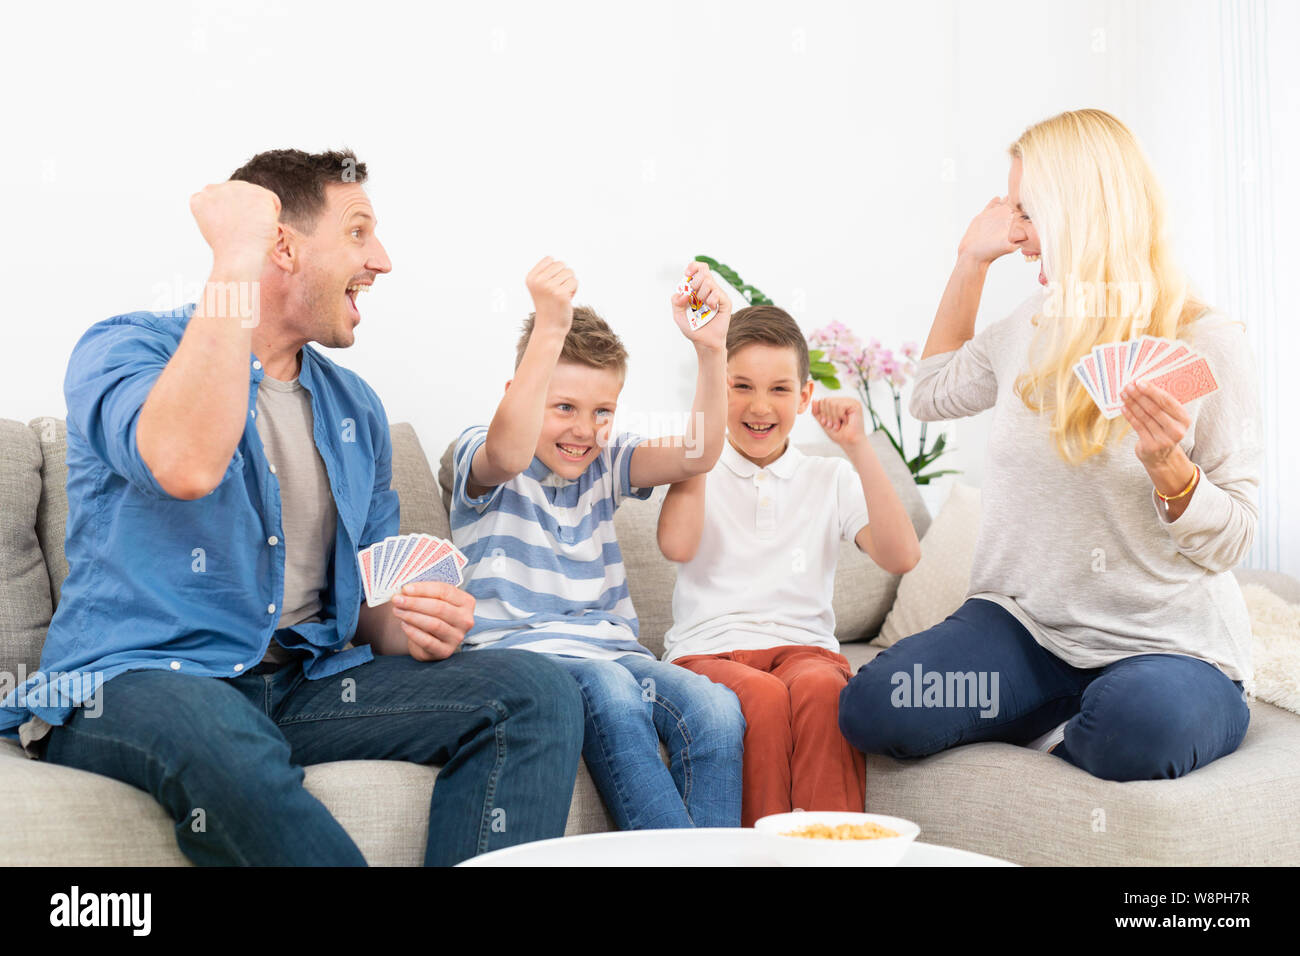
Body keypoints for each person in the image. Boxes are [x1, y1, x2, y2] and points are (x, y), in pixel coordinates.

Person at [0, 149, 585, 865]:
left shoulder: (354, 408)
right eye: (359, 232)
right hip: (136, 682)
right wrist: (234, 259)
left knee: (536, 690)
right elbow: (184, 464)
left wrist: (412, 623)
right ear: (281, 244)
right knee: (212, 723)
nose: (384, 261)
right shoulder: (126, 348)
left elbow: (369, 599)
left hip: (300, 687)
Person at [839, 109, 1263, 781]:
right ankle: (1056, 711)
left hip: (1167, 647)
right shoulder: (1029, 326)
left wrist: (1172, 474)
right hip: (1024, 636)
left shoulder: (1206, 343)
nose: (1018, 237)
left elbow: (1233, 538)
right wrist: (970, 261)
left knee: (1137, 731)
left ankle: (1087, 715)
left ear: (1079, 215)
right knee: (879, 705)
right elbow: (930, 394)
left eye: (1027, 213)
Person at [448, 257, 745, 829]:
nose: (584, 430)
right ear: (522, 392)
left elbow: (699, 454)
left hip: (613, 653)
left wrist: (712, 349)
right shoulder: (482, 452)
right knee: (609, 686)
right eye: (563, 407)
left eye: (601, 411)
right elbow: (507, 453)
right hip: (525, 662)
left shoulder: (607, 462)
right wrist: (548, 326)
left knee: (717, 707)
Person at [657, 304, 921, 826]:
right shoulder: (698, 465)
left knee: (826, 689)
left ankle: (831, 854)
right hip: (709, 651)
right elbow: (677, 546)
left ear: (804, 398)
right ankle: (762, 855)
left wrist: (857, 448)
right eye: (740, 386)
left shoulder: (829, 477)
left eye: (779, 389)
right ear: (719, 391)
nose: (760, 406)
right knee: (762, 697)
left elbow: (903, 556)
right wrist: (700, 444)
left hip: (806, 650)